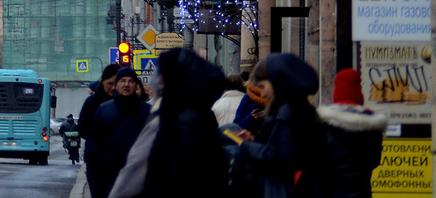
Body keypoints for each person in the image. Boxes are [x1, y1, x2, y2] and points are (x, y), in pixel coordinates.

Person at [113, 47, 231, 198]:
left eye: (163, 73)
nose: (157, 79)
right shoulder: (201, 113)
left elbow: (136, 170)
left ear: (177, 77)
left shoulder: (171, 120)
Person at [232, 53, 322, 198]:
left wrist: (246, 146)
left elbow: (277, 156)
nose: (262, 93)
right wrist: (253, 142)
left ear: (277, 82)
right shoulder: (298, 109)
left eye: (263, 86)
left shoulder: (287, 112)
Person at [317, 69, 387, 198]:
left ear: (336, 93)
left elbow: (319, 166)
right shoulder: (372, 128)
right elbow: (375, 162)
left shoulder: (326, 127)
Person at [86, 67, 149, 198]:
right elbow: (92, 141)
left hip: (137, 174)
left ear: (136, 85)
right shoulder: (104, 110)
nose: (126, 84)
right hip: (107, 174)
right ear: (117, 85)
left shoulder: (147, 111)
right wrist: (100, 162)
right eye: (122, 81)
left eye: (131, 81)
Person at [79, 63, 119, 194]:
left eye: (116, 84)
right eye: (109, 84)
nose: (113, 88)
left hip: (119, 162)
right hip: (97, 162)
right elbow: (82, 128)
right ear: (102, 82)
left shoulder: (125, 103)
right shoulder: (92, 102)